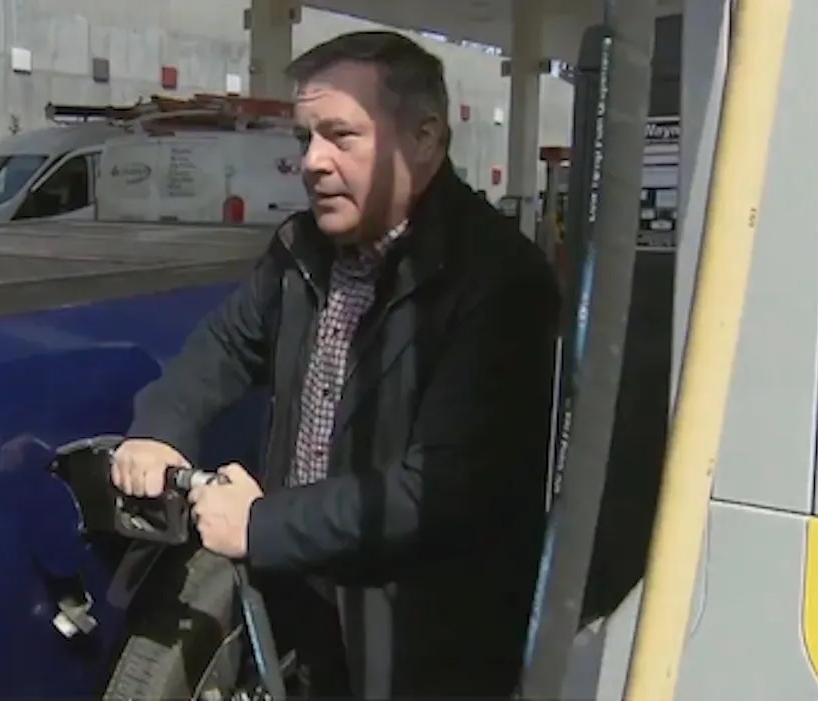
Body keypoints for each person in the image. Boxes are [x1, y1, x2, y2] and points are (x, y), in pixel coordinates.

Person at [111, 30, 560, 700]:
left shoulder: (498, 281)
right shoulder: (299, 250)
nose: (313, 163)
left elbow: (436, 490)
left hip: (419, 649)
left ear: (426, 139)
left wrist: (261, 526)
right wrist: (161, 427)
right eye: (304, 139)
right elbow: (225, 347)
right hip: (305, 612)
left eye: (340, 136)